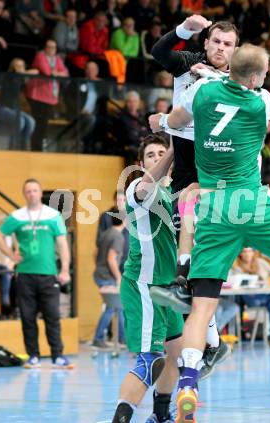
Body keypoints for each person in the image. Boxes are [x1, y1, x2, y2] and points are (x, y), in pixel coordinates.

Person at [149, 44, 270, 421]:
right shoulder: (260, 103)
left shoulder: (201, 92)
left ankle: (188, 381)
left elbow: (175, 120)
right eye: (263, 74)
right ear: (255, 78)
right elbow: (254, 106)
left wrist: (164, 122)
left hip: (215, 208)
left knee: (201, 309)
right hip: (251, 202)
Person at [150, 15, 239, 369]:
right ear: (206, 42)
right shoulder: (188, 60)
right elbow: (158, 51)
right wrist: (185, 28)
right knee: (182, 246)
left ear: (235, 50)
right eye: (216, 41)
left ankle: (212, 341)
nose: (220, 48)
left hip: (214, 165)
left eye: (227, 44)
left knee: (197, 247)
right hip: (184, 160)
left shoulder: (237, 79)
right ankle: (214, 342)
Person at [111, 135, 184, 423]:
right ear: (141, 164)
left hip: (167, 288)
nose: (156, 157)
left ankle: (161, 414)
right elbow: (147, 186)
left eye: (161, 152)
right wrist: (176, 147)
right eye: (151, 154)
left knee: (175, 355)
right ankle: (121, 418)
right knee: (150, 360)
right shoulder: (138, 189)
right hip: (144, 285)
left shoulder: (174, 194)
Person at [0, 179, 72, 369]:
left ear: (40, 192)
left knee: (52, 316)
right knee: (28, 318)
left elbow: (62, 243)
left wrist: (64, 269)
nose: (32, 194)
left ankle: (57, 355)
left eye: (35, 190)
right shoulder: (17, 216)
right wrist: (11, 254)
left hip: (48, 274)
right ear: (24, 194)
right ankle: (33, 356)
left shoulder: (53, 215)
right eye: (28, 191)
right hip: (25, 275)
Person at [231, 247, 270, 348]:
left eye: (249, 251)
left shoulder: (261, 263)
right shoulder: (237, 268)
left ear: (253, 252)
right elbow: (236, 285)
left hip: (265, 296)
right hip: (249, 298)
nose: (247, 254)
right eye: (244, 251)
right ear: (240, 254)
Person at [92, 211, 125, 348]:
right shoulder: (118, 236)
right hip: (107, 277)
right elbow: (111, 259)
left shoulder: (106, 233)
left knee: (119, 307)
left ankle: (123, 339)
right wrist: (118, 278)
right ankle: (98, 338)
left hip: (101, 274)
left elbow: (95, 253)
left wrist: (99, 267)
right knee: (112, 307)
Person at [0, 58, 38, 150]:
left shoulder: (21, 78)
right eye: (17, 66)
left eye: (22, 66)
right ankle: (13, 146)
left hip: (15, 110)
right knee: (20, 121)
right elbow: (14, 87)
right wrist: (23, 74)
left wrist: (24, 73)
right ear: (13, 67)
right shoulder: (10, 76)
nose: (20, 68)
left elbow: (36, 71)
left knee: (31, 121)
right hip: (2, 108)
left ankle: (23, 146)